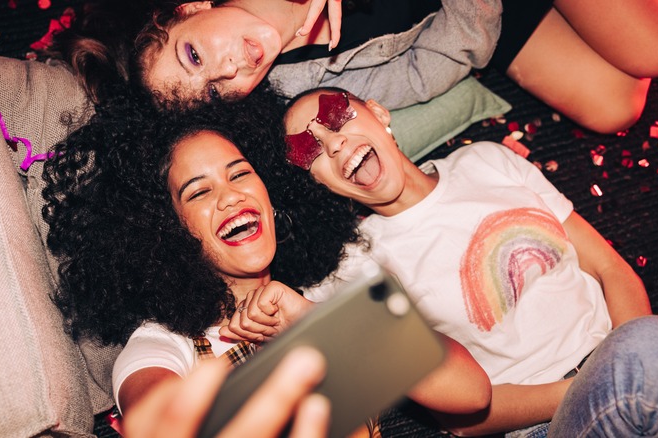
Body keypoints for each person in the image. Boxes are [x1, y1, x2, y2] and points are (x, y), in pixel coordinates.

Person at [224, 87, 658, 435]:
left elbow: (608, 266)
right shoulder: (350, 266)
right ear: (319, 184)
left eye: (338, 119)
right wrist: (601, 377)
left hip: (640, 363)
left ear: (379, 114)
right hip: (550, 422)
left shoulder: (487, 161)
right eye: (312, 152)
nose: (336, 144)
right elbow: (461, 420)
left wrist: (635, 354)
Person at [41, 88, 491, 436]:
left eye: (239, 173)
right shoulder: (164, 344)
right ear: (168, 232)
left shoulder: (323, 296)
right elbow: (161, 412)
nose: (230, 194)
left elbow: (471, 392)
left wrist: (314, 321)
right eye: (198, 191)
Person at [50, 0, 658, 134]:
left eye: (195, 52)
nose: (229, 66)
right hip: (479, 12)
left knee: (657, 51)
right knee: (615, 105)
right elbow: (419, 72)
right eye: (220, 91)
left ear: (189, 8)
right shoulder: (292, 77)